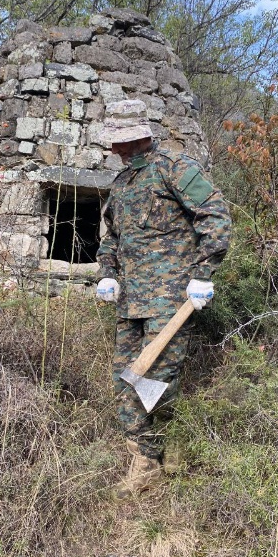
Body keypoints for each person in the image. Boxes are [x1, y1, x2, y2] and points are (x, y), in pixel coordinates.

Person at [95, 99, 232, 498]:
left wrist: (203, 274)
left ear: (140, 136)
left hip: (172, 303)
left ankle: (153, 463)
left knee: (155, 382)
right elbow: (112, 241)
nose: (116, 150)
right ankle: (159, 453)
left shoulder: (176, 168)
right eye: (114, 143)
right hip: (131, 305)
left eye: (122, 142)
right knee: (126, 382)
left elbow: (216, 217)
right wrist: (108, 274)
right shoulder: (120, 186)